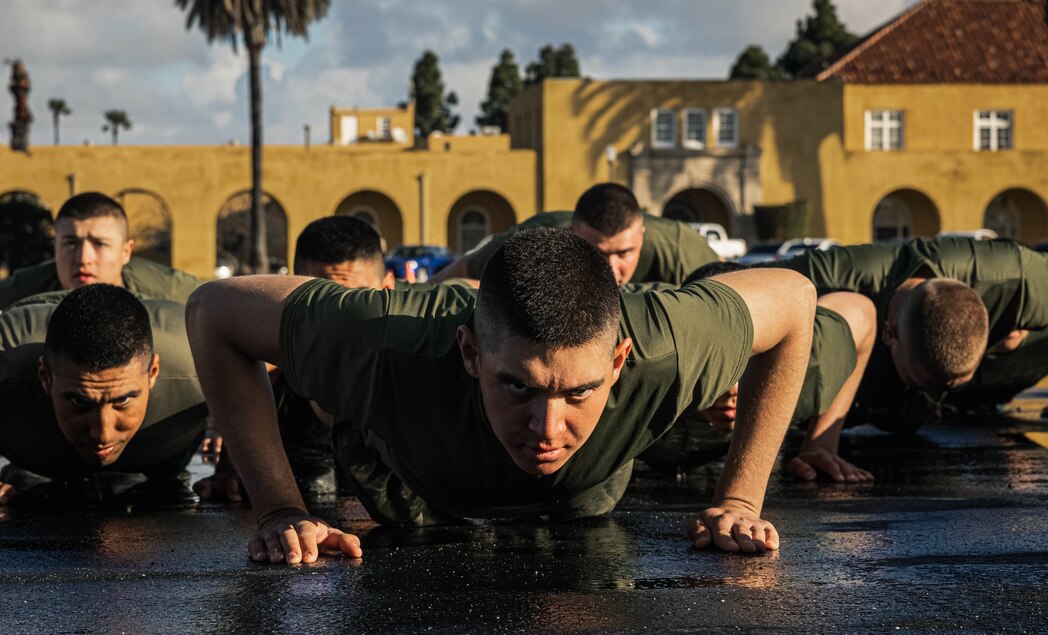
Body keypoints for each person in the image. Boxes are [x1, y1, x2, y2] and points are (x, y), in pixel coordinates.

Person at [186, 226, 817, 563]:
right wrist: (279, 510)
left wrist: (739, 497)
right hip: (412, 483)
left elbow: (794, 299)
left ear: (619, 361)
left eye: (578, 392)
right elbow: (213, 310)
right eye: (518, 386)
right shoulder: (387, 340)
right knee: (331, 394)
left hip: (584, 493)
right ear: (470, 353)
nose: (547, 427)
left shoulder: (667, 341)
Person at [761, 237, 1048, 439]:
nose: (937, 397)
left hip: (981, 384)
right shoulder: (826, 277)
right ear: (890, 334)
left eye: (947, 387)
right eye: (926, 383)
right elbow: (725, 287)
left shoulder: (1010, 276)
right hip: (860, 395)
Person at [195, 215, 396, 503]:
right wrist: (231, 467)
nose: (333, 324)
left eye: (351, 302)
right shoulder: (269, 369)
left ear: (387, 290)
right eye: (316, 303)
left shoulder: (408, 363)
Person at [639, 261, 877, 482]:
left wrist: (822, 441)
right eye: (720, 363)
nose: (732, 389)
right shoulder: (645, 371)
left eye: (747, 362)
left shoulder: (798, 369)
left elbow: (862, 311)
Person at [0, 284, 207, 504]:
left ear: (153, 372)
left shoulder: (198, 356)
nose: (102, 435)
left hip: (163, 456)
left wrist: (232, 465)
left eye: (123, 400)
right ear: (45, 376)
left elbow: (246, 350)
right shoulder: (7, 365)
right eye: (80, 401)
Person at [433, 183, 718, 285]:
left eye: (624, 253)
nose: (610, 268)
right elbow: (460, 271)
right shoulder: (537, 238)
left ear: (641, 236)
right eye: (597, 251)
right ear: (571, 234)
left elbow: (743, 297)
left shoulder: (679, 246)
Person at [0, 192, 204, 310]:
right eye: (70, 243)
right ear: (55, 247)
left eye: (100, 244)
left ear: (126, 252)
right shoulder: (20, 292)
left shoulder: (173, 293)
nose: (83, 259)